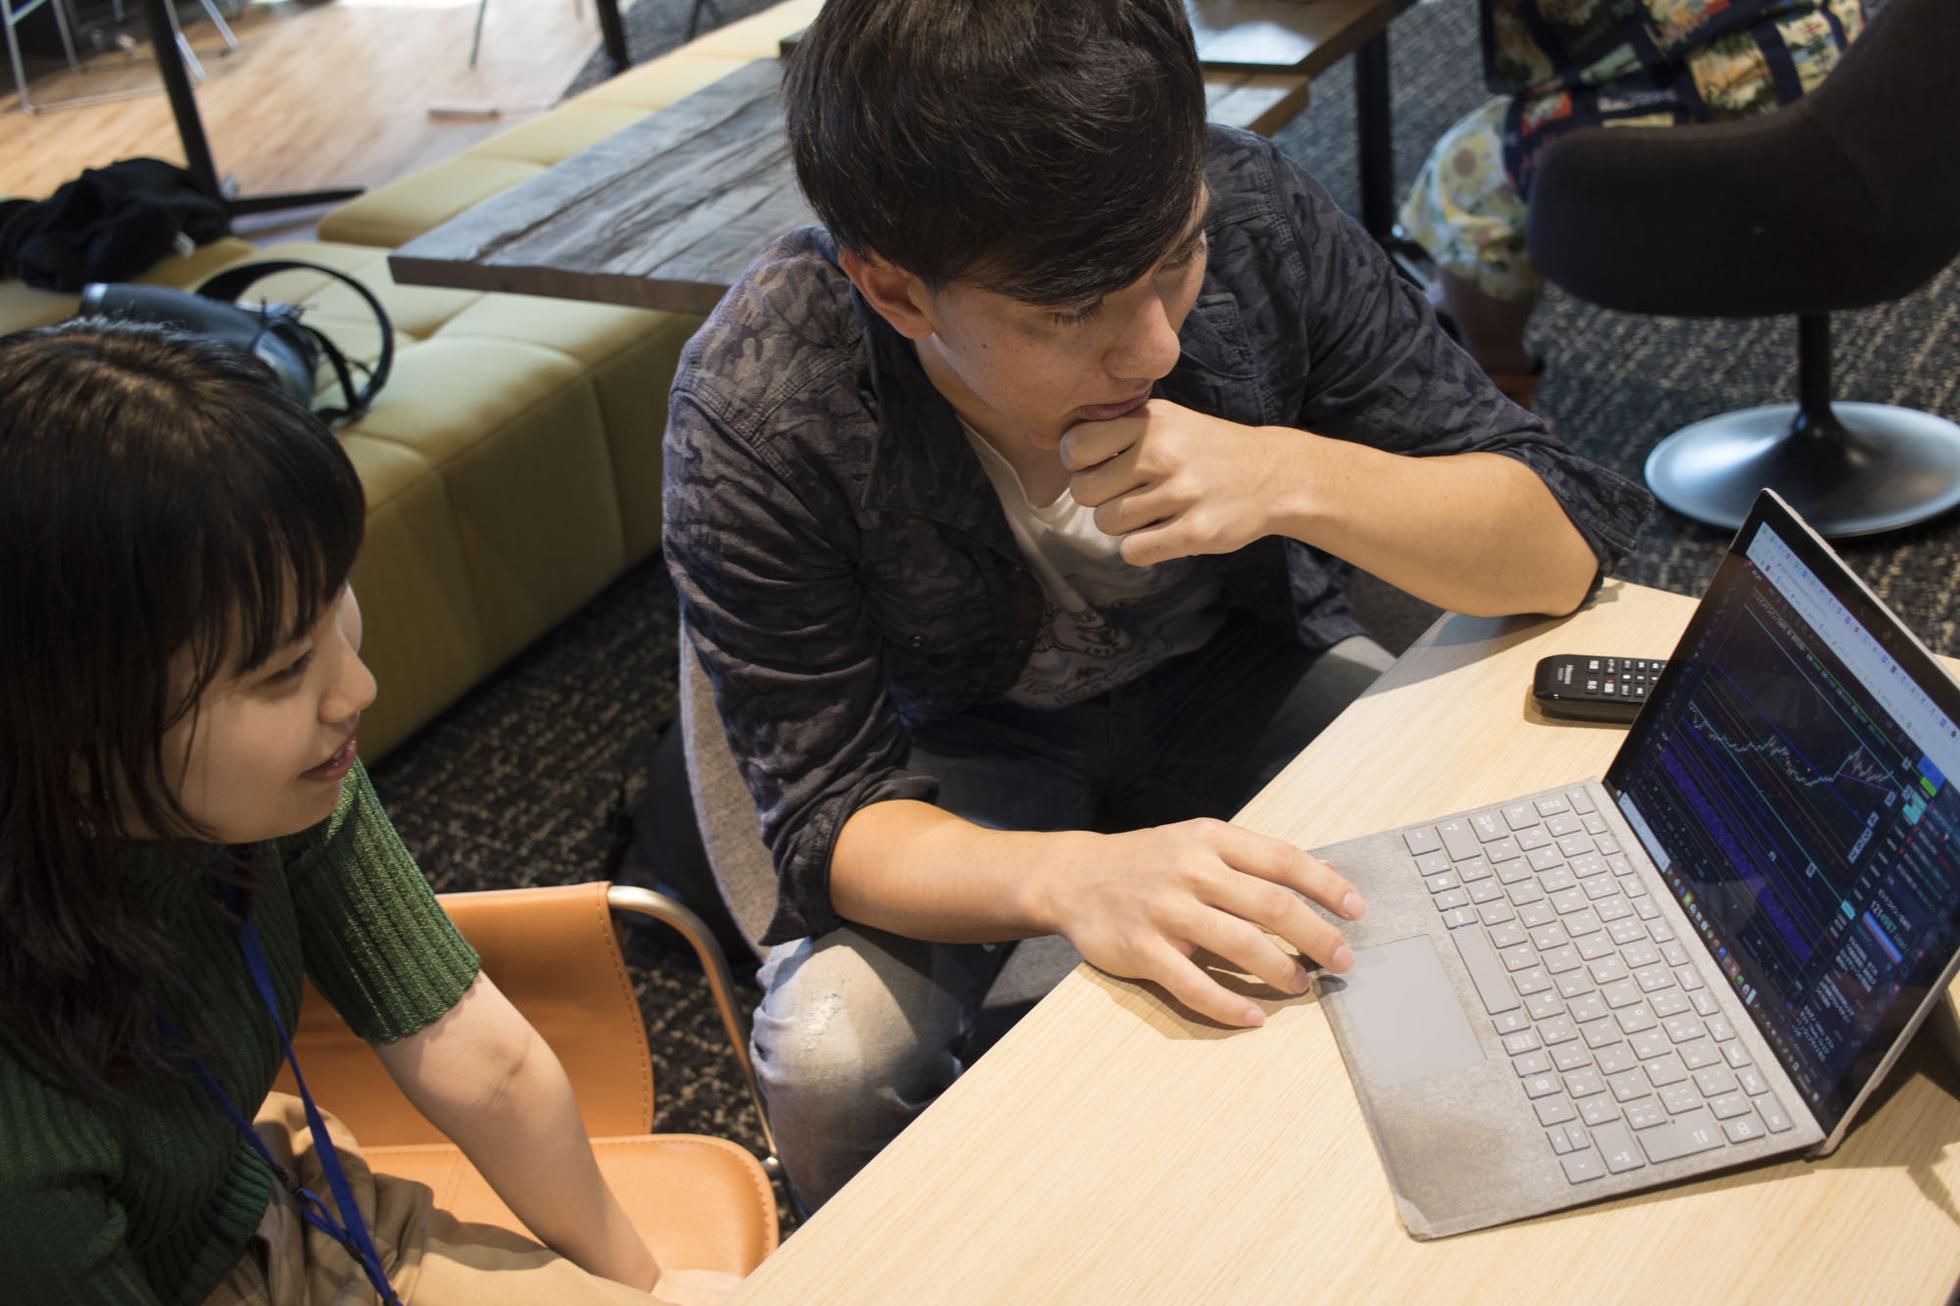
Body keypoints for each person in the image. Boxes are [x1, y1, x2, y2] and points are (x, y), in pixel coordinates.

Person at [663, 0, 1652, 1210]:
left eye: (1174, 259)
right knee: (832, 1061)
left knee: (1511, 853)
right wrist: (1073, 879)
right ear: (894, 289)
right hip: (962, 750)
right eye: (1069, 309)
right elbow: (831, 821)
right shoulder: (763, 402)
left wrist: (1286, 473)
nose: (1153, 349)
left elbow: (1559, 541)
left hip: (1243, 669)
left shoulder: (1251, 217)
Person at [0, 321, 736, 1306]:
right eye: (283, 669)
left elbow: (478, 1057)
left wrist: (646, 1287)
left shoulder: (273, 789)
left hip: (274, 1205)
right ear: (74, 735)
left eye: (333, 603)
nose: (357, 689)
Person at [1402, 0, 1868, 406]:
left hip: (1741, 111)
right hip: (1847, 72)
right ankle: (1454, 311)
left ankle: (1498, 394)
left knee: (1467, 174)